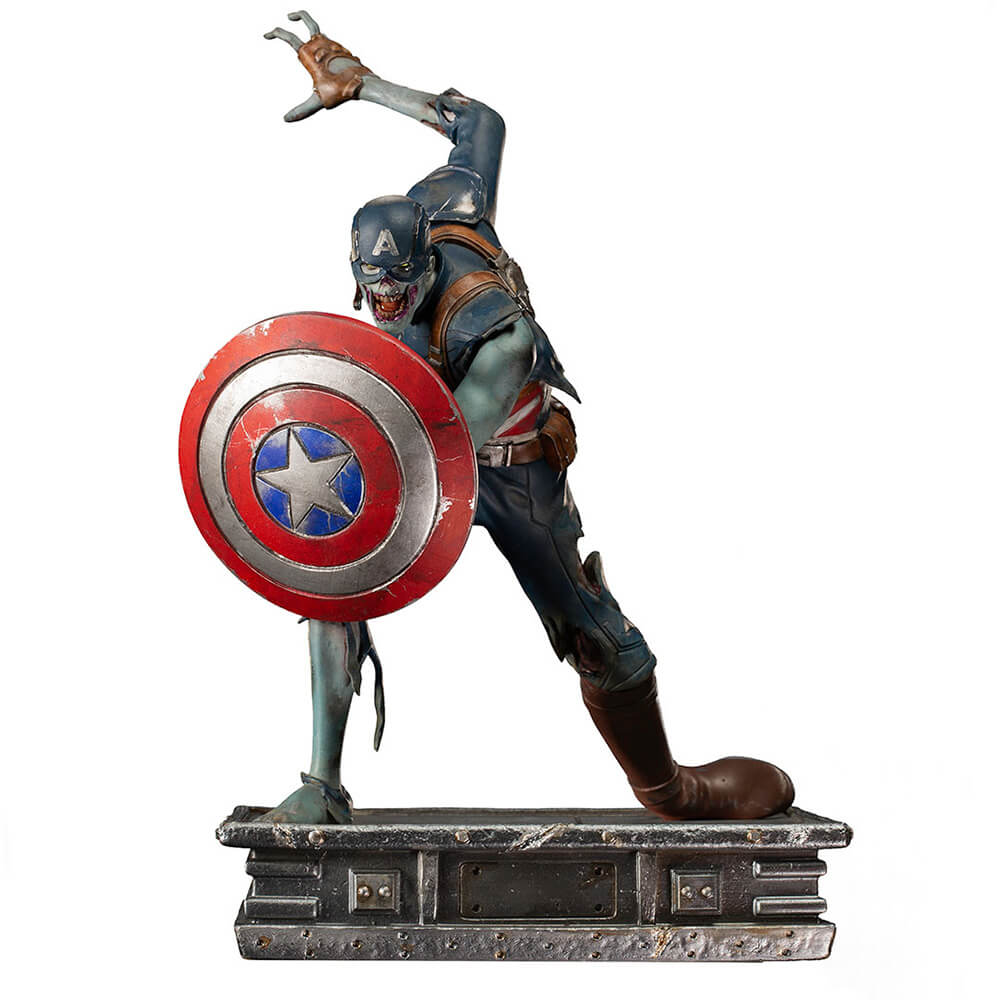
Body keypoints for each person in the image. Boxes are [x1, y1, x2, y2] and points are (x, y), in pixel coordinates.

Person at [260, 10, 794, 825]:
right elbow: (480, 122)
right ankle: (322, 782)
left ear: (427, 265)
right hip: (405, 442)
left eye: (400, 289)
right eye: (374, 290)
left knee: (596, 638)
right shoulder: (452, 201)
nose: (387, 303)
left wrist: (347, 475)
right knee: (331, 573)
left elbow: (445, 450)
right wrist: (363, 85)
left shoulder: (494, 329)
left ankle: (670, 790)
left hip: (505, 465)